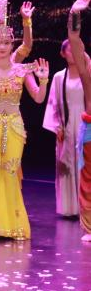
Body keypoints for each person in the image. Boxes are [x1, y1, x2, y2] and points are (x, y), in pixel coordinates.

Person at [0, 0, 47, 241]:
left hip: (14, 126)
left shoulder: (21, 70)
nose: (2, 47)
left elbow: (38, 98)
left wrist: (44, 80)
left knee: (11, 171)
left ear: (11, 44)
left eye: (6, 42)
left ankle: (12, 226)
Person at [44, 38, 88, 218]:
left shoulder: (88, 74)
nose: (74, 53)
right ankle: (70, 208)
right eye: (70, 50)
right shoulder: (59, 77)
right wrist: (57, 126)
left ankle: (86, 208)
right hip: (67, 124)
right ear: (62, 54)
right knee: (68, 165)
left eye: (77, 49)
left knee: (86, 166)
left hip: (85, 124)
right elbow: (53, 104)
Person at [62, 0, 91, 242]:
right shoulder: (87, 73)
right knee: (89, 179)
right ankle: (90, 227)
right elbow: (74, 38)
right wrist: (75, 13)